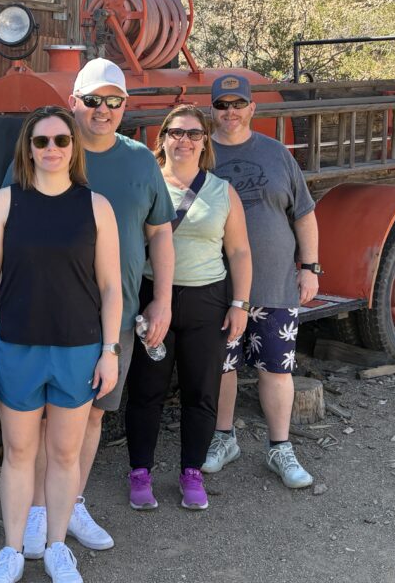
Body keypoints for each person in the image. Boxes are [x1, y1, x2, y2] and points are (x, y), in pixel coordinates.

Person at [6, 58, 176, 556]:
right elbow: (6, 225)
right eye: (93, 100)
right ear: (73, 102)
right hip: (44, 313)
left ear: (126, 105)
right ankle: (36, 514)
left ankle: (70, 502)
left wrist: (162, 299)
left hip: (112, 316)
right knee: (40, 422)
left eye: (114, 101)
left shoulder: (141, 161)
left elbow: (160, 233)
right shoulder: (50, 149)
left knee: (94, 417)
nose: (103, 110)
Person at [0, 105, 123, 583]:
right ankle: (12, 550)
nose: (51, 149)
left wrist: (110, 350)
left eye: (60, 140)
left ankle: (57, 547)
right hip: (16, 346)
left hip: (78, 348)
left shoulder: (96, 206)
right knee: (18, 453)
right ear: (28, 149)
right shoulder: (5, 202)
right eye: (42, 141)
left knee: (65, 455)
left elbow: (112, 285)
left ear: (73, 148)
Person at [124, 104, 252, 511]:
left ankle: (191, 473)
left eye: (193, 134)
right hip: (153, 296)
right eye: (176, 132)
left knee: (201, 391)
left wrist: (240, 304)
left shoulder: (222, 191)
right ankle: (139, 472)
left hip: (206, 299)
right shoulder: (146, 185)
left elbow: (240, 251)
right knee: (147, 390)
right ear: (162, 138)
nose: (184, 140)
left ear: (204, 142)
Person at [201, 74, 319, 488]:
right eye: (221, 105)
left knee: (276, 367)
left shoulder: (276, 154)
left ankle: (280, 447)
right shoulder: (199, 152)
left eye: (238, 104)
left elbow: (303, 212)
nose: (229, 112)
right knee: (222, 367)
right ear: (211, 110)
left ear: (253, 108)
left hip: (273, 284)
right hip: (217, 286)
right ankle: (223, 438)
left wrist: (310, 267)